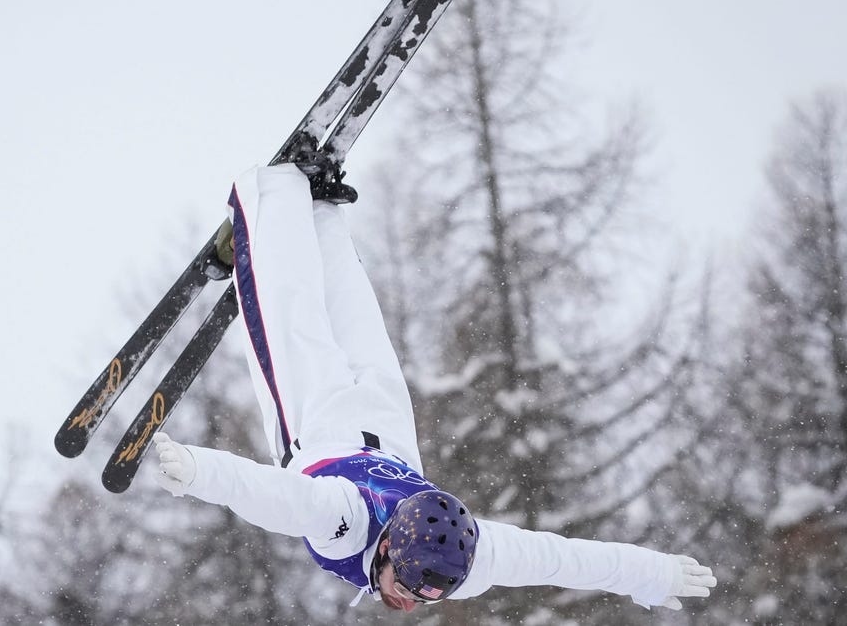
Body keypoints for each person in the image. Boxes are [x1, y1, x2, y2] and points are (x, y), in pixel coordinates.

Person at [151, 163, 717, 612]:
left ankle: (319, 208)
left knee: (339, 310)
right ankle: (271, 199)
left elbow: (561, 560)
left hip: (381, 422)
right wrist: (199, 473)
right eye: (413, 585)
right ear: (393, 546)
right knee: (290, 315)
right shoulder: (344, 520)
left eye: (429, 595)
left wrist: (653, 575)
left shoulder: (469, 564)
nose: (411, 600)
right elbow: (272, 496)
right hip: (323, 420)